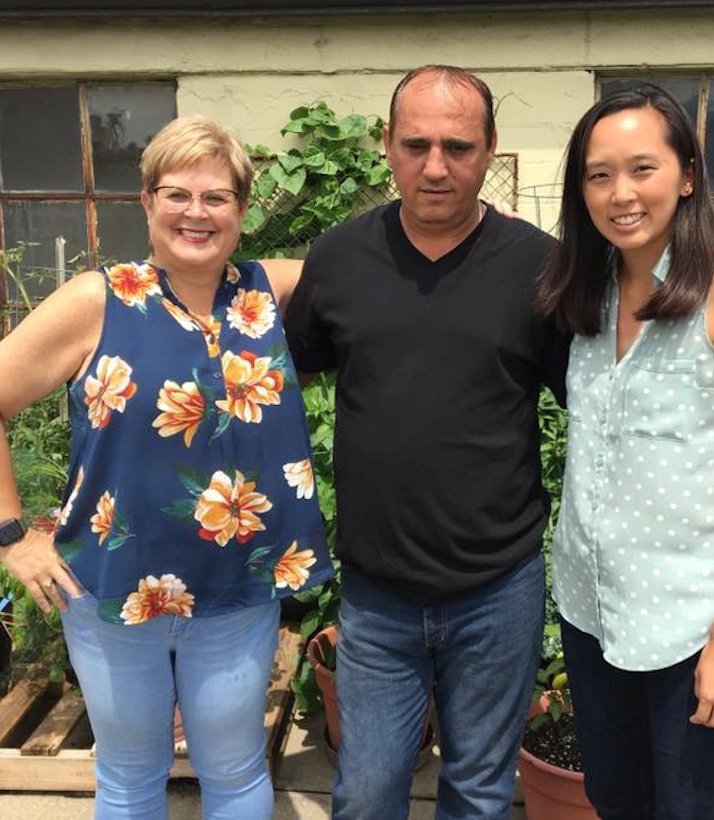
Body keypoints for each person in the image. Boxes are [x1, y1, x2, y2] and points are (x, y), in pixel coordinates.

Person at [0, 114, 332, 819]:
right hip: (113, 589)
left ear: (241, 208)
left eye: (217, 196)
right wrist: (12, 535)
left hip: (237, 589)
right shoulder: (97, 301)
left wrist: (479, 228)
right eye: (178, 194)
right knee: (131, 775)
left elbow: (378, 264)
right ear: (147, 201)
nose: (196, 212)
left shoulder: (269, 292)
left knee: (233, 769)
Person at [284, 65, 570, 819]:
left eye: (457, 146)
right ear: (387, 144)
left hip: (498, 587)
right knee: (366, 792)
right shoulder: (339, 258)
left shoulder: (540, 267)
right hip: (378, 592)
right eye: (416, 145)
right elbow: (285, 381)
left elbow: (592, 400)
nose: (435, 166)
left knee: (479, 793)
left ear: (490, 147)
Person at [537, 84, 714, 819]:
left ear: (687, 175)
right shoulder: (587, 290)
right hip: (594, 614)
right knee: (615, 800)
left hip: (691, 626)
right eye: (599, 175)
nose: (621, 194)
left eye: (643, 168)